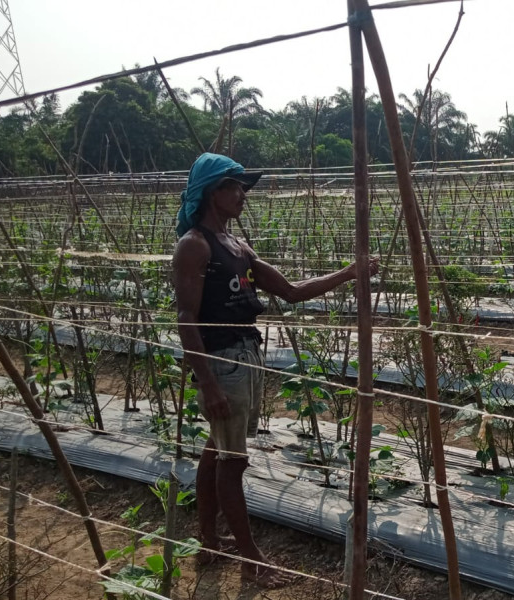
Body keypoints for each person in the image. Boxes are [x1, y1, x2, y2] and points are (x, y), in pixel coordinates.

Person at [173, 152, 379, 588]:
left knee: (217, 450)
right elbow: (186, 319)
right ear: (213, 192)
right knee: (233, 462)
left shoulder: (235, 247)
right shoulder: (195, 245)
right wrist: (207, 382)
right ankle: (253, 563)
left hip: (245, 355)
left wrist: (351, 272)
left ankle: (209, 539)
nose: (242, 195)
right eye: (234, 187)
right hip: (222, 362)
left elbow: (291, 291)